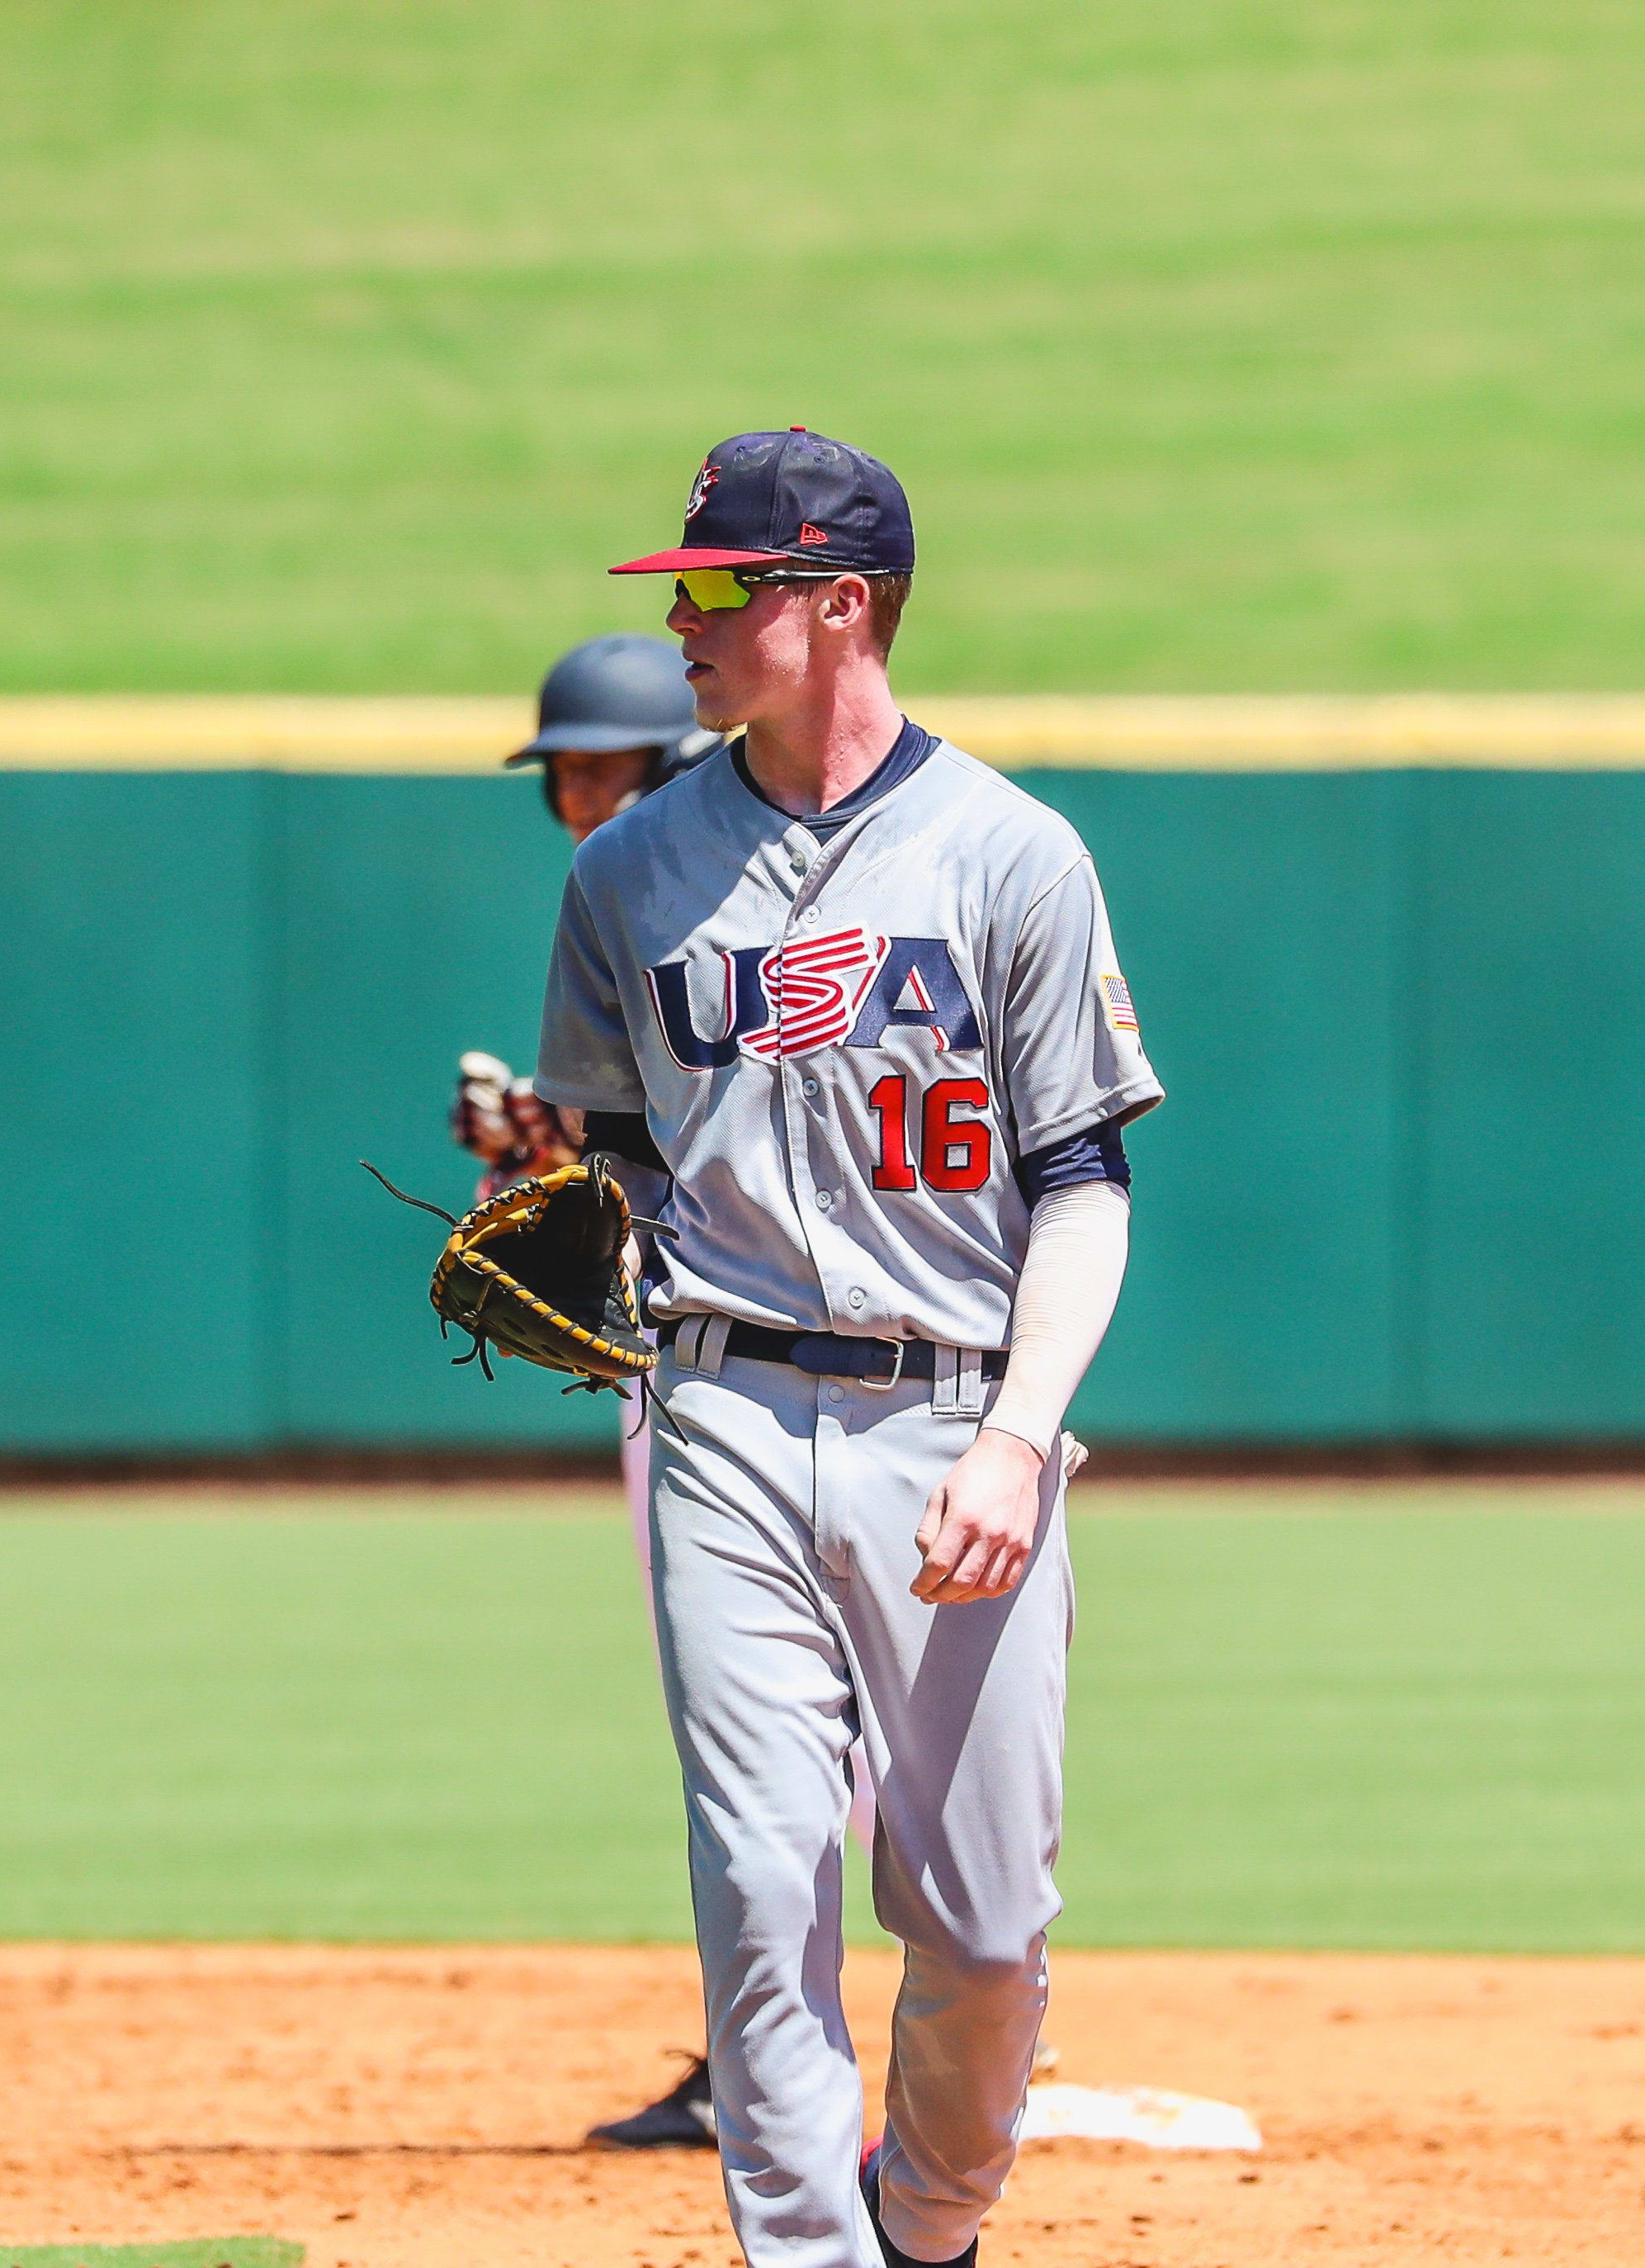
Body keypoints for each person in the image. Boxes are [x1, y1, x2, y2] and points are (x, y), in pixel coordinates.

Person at [533, 429, 1157, 2268]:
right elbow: (613, 1166)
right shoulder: (630, 876)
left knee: (977, 1922)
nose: (690, 630)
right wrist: (584, 1247)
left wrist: (1023, 1436)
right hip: (716, 1405)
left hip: (954, 1416)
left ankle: (932, 2226)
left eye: (725, 591)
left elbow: (1087, 1190)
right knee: (756, 1885)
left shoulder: (1013, 857)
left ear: (844, 606)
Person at [447, 632, 733, 2152]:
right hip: (678, 1359)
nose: (575, 798)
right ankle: (795, 2048)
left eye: (601, 768)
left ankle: (971, 2026)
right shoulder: (636, 900)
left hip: (782, 1368)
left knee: (826, 1735)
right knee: (757, 1729)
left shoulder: (723, 904)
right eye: (564, 775)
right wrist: (536, 1152)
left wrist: (559, 1141)